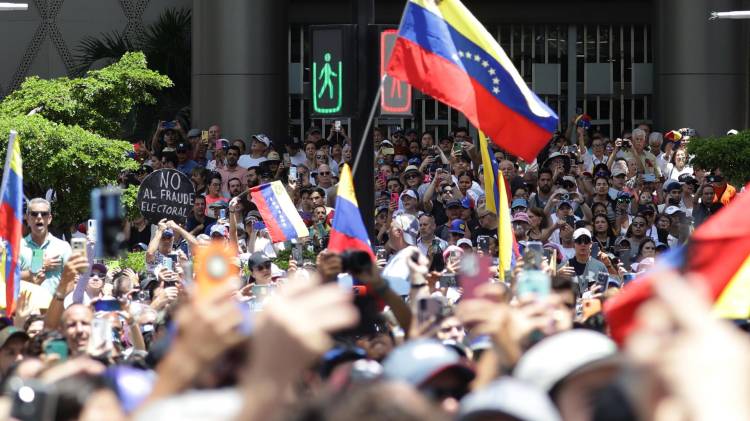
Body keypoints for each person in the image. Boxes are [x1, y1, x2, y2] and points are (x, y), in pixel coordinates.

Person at [19, 198, 72, 294]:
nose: (39, 217)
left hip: (55, 306)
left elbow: (72, 280)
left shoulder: (63, 247)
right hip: (26, 307)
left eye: (44, 214)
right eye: (34, 214)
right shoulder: (17, 247)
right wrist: (39, 267)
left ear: (49, 219)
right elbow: (8, 278)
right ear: (27, 218)